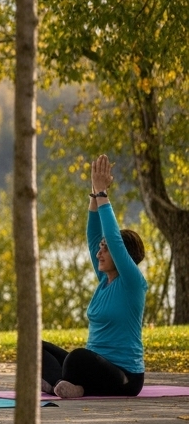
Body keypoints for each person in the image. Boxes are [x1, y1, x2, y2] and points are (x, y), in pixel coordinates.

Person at [42, 154, 148, 398]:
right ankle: (63, 384)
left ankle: (73, 385)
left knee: (78, 358)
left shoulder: (132, 282)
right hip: (94, 365)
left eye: (106, 248)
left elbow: (112, 237)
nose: (99, 252)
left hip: (125, 377)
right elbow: (93, 236)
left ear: (123, 256)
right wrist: (93, 193)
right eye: (101, 248)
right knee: (34, 348)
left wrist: (103, 194)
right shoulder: (104, 282)